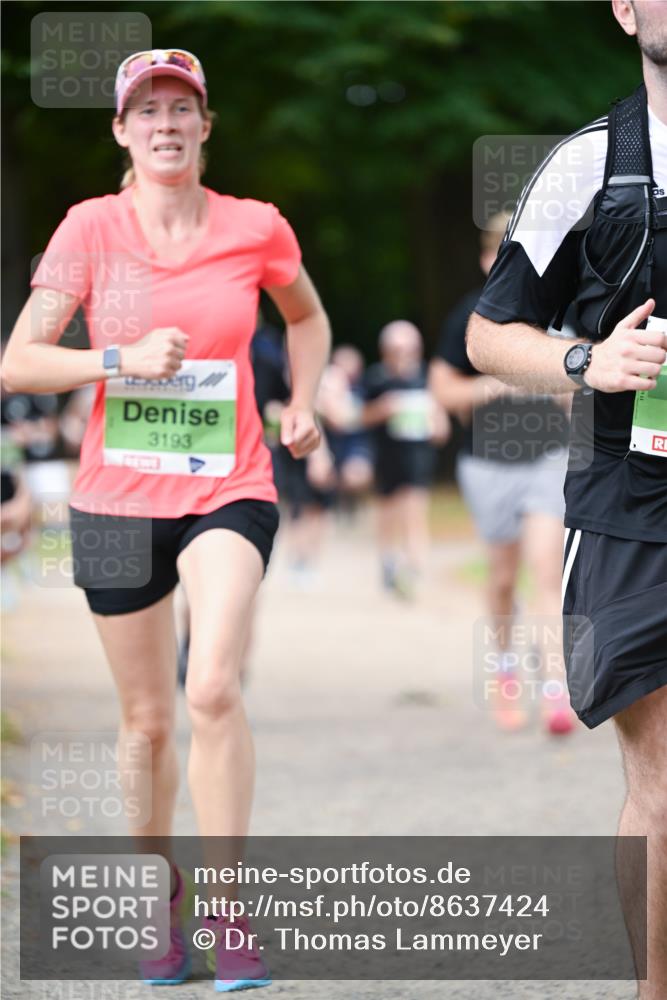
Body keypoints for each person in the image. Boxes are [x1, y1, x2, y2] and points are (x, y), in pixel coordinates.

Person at [1, 48, 330, 992]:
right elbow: (19, 362)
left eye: (181, 107)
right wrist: (118, 360)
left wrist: (302, 400)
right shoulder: (89, 227)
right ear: (122, 130)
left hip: (228, 485)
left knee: (211, 688)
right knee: (145, 723)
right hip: (112, 503)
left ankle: (227, 910)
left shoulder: (255, 225)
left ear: (204, 125)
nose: (165, 123)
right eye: (146, 109)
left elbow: (306, 318)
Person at [467, 3, 666, 995]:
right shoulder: (587, 163)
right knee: (661, 784)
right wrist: (590, 360)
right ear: (624, 9)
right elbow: (490, 333)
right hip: (633, 501)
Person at [430, 213, 575, 735]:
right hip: (487, 463)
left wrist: (564, 389)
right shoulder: (470, 317)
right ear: (487, 259)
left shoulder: (561, 313)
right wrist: (492, 386)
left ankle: (557, 689)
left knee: (547, 571)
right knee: (502, 577)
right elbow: (442, 389)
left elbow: (585, 385)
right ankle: (506, 670)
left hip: (549, 459)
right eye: (500, 252)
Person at [363, 321, 449, 599]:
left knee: (415, 512)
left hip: (418, 457)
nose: (404, 355)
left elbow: (442, 427)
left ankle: (414, 570)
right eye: (397, 349)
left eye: (410, 349)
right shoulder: (376, 379)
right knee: (387, 513)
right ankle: (388, 564)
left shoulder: (428, 378)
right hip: (386, 456)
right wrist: (383, 409)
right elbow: (360, 417)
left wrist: (435, 423)